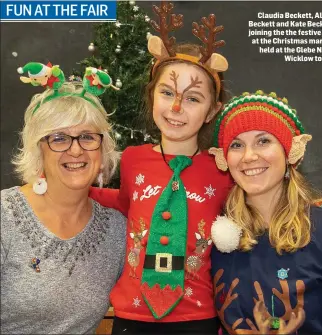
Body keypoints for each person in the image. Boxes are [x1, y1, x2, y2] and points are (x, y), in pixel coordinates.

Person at [89, 2, 233, 334]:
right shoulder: (134, 159)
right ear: (152, 96)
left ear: (213, 110)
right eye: (167, 93)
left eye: (194, 98)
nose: (177, 107)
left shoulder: (222, 168)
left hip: (197, 319)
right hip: (132, 317)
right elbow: (125, 202)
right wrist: (75, 189)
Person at [1, 63, 126, 334]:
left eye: (87, 137)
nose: (76, 150)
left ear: (102, 148)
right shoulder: (4, 217)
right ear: (39, 150)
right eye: (59, 138)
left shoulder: (117, 230)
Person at [209, 90, 322, 335]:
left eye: (263, 141)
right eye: (237, 145)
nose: (249, 156)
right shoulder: (218, 240)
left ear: (289, 151)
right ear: (224, 159)